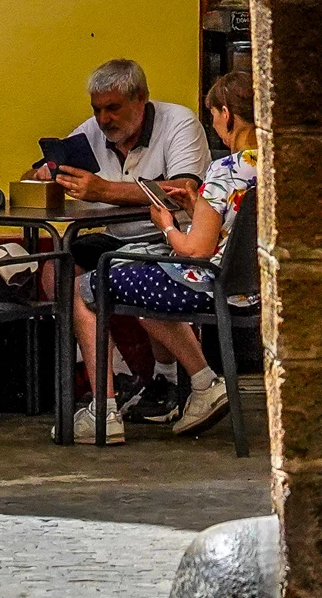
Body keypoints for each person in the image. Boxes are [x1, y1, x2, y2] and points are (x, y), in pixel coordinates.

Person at [67, 69, 259, 443]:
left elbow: (196, 251)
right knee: (142, 276)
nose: (215, 126)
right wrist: (198, 206)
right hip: (248, 289)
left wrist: (167, 223)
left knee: (85, 286)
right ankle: (202, 383)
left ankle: (103, 413)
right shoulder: (273, 167)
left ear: (228, 114)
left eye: (216, 116)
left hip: (205, 282)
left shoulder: (225, 170)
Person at [27, 57, 211, 423]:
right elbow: (38, 174)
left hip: (173, 237)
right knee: (57, 270)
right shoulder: (93, 132)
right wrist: (42, 174)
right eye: (97, 109)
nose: (103, 119)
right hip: (118, 236)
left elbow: (183, 189)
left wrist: (105, 190)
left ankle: (170, 381)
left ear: (140, 98)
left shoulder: (179, 123)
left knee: (130, 274)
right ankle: (118, 376)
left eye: (113, 108)